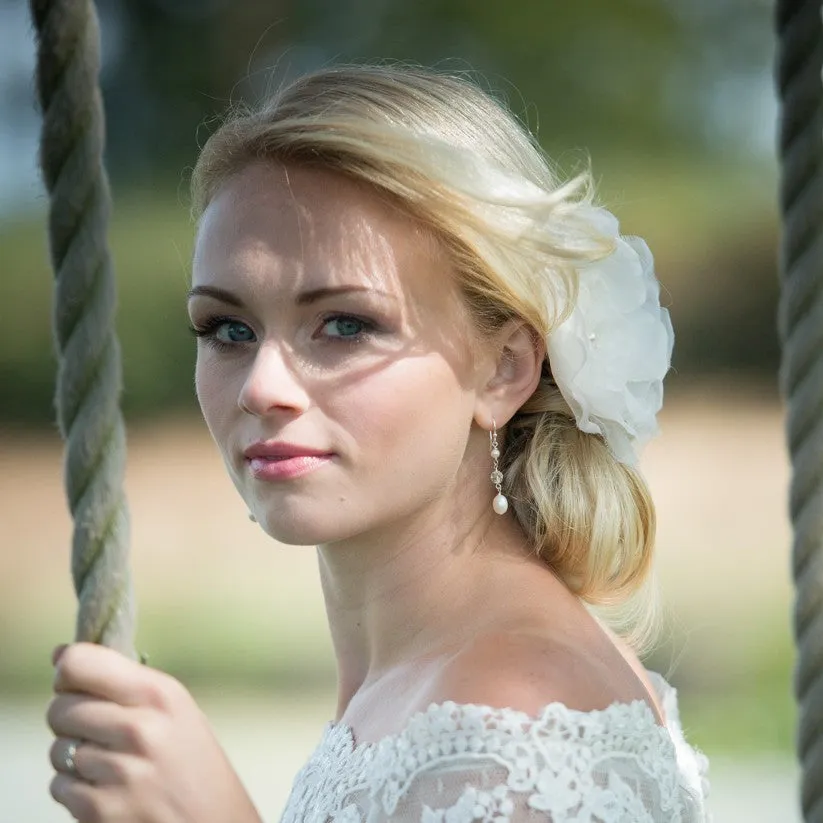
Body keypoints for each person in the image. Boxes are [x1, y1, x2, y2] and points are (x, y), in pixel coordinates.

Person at [45, 64, 710, 822]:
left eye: (345, 324)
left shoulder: (514, 716)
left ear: (503, 370)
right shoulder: (411, 679)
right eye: (227, 328)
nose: (262, 385)